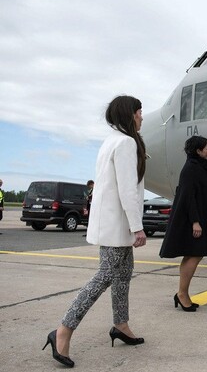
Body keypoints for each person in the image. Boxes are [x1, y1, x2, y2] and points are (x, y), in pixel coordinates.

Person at [44, 96, 147, 368]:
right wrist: (138, 226)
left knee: (123, 275)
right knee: (104, 278)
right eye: (139, 112)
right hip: (117, 224)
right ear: (130, 114)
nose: (142, 117)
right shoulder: (125, 143)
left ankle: (121, 325)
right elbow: (127, 189)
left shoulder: (112, 140)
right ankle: (63, 331)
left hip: (113, 222)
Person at [159, 135, 207, 312]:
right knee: (195, 254)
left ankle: (183, 293)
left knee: (193, 254)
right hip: (193, 219)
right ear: (198, 151)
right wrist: (195, 222)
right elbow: (188, 197)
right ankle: (182, 294)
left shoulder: (196, 166)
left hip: (197, 217)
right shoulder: (191, 169)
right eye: (206, 148)